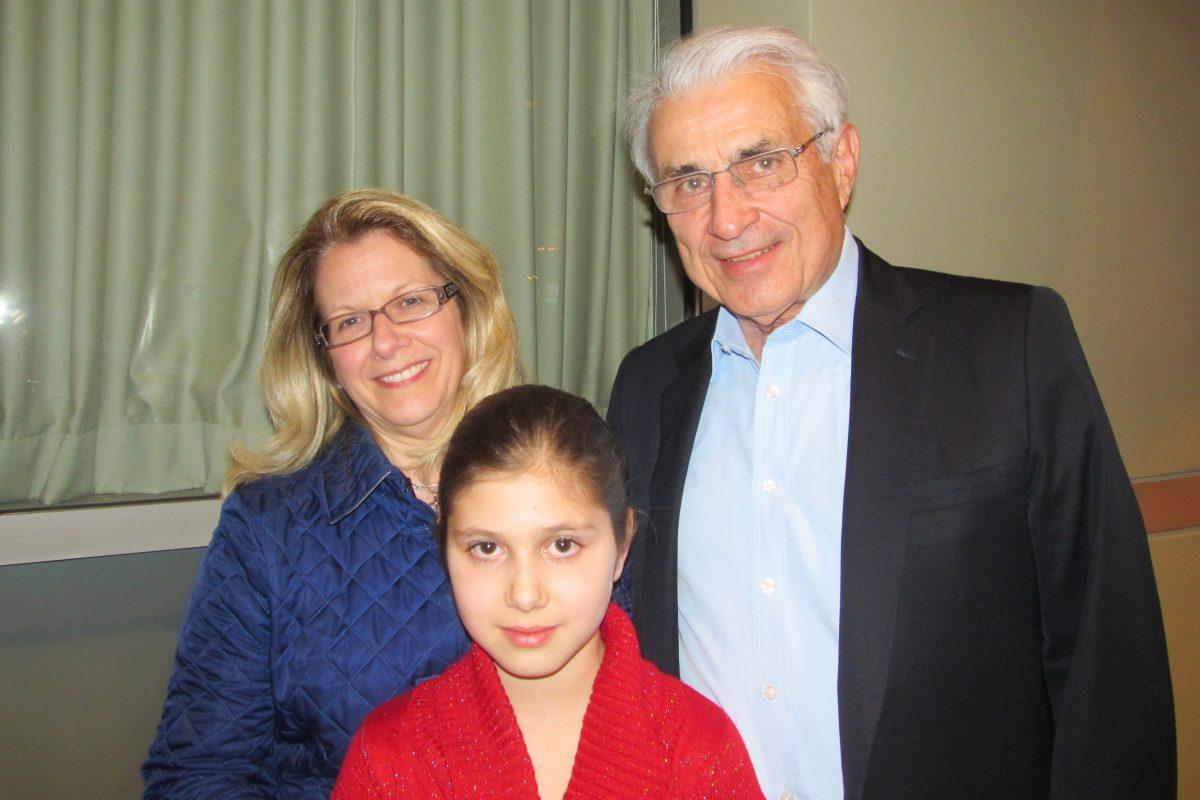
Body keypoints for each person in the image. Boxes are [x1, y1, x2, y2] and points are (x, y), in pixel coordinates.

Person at [607, 25, 1175, 800]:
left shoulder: (1006, 346)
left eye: (761, 162)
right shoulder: (647, 386)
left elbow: (1110, 666)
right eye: (689, 181)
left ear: (840, 162)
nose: (727, 217)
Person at [142, 188, 521, 799]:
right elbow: (198, 773)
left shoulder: (568, 484)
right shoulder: (268, 528)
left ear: (467, 309)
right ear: (324, 360)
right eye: (349, 322)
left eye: (411, 301)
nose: (386, 340)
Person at [330, 384, 764, 799]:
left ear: (622, 545)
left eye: (562, 545)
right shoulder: (389, 757)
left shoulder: (700, 747)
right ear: (445, 547)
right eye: (487, 548)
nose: (524, 593)